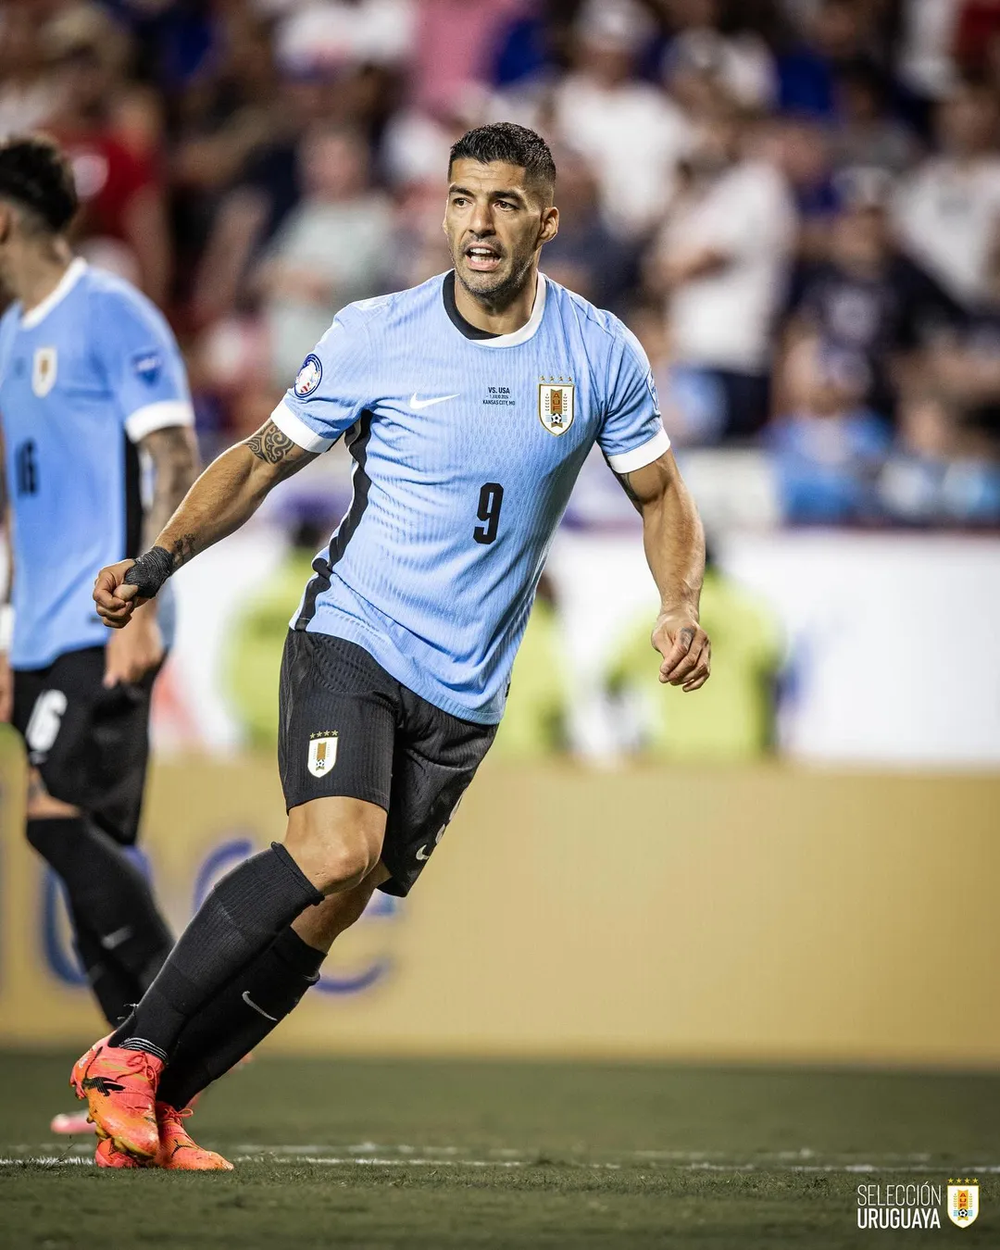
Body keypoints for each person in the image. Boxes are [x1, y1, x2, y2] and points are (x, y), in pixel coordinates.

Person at [70, 122, 711, 1171]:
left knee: (334, 907)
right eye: (462, 199)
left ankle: (157, 1111)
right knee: (332, 850)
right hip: (355, 634)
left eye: (504, 203)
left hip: (466, 691)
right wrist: (159, 558)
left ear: (548, 221)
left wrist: (678, 602)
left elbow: (661, 494)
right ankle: (129, 1053)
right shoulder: (378, 332)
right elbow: (260, 459)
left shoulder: (599, 352)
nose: (478, 224)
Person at [0, 136, 200, 1153]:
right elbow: (17, 499)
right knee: (84, 843)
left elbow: (174, 454)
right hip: (39, 632)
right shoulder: (7, 337)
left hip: (106, 618)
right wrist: (5, 633)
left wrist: (147, 603)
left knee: (54, 821)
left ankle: (179, 1024)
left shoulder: (113, 313)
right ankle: (135, 1088)